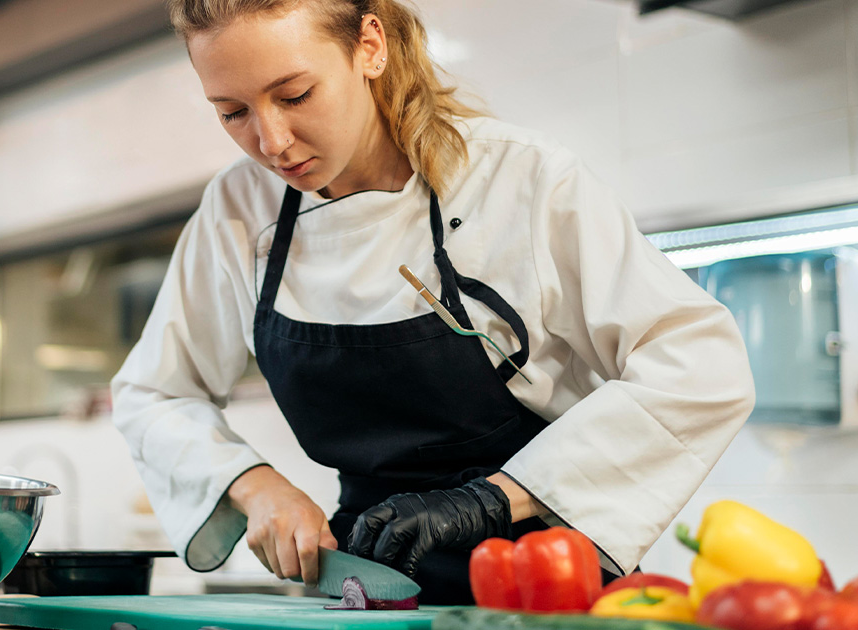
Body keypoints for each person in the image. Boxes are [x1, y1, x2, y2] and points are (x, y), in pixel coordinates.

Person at [110, 0, 755, 605]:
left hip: (546, 580)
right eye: (232, 112)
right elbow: (155, 392)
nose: (271, 141)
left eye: (295, 95)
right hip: (363, 586)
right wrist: (256, 488)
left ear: (369, 44)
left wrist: (491, 501)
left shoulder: (520, 179)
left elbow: (698, 365)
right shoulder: (239, 210)